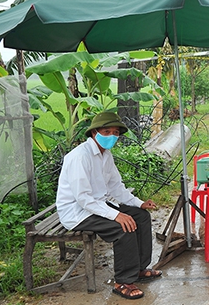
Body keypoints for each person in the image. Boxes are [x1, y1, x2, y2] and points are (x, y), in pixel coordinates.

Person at [56, 112, 161, 300]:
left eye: (115, 132)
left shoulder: (106, 155)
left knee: (140, 216)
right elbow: (83, 198)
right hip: (77, 212)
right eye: (107, 131)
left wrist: (139, 203)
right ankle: (123, 281)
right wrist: (115, 215)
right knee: (123, 226)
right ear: (95, 132)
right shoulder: (80, 157)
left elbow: (116, 187)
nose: (112, 136)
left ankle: (139, 268)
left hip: (98, 205)